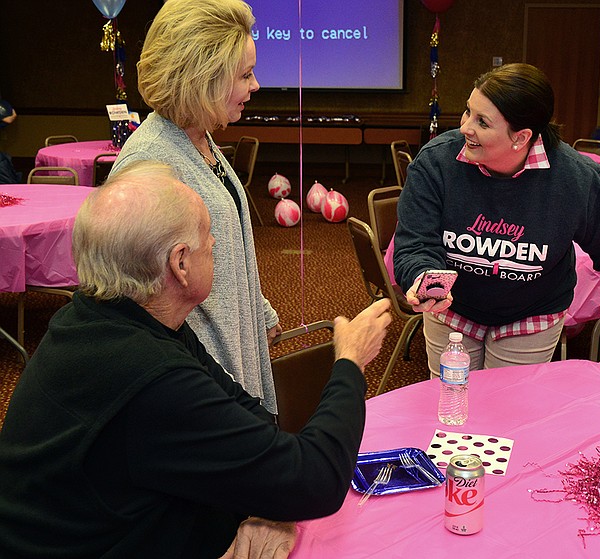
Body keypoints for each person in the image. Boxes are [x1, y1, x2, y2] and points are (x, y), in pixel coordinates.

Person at [0, 160, 393, 558]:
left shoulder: (109, 316)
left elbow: (250, 417)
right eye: (209, 235)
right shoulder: (151, 375)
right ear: (180, 263)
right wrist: (349, 362)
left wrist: (271, 504)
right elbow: (317, 481)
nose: (216, 245)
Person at [392, 63, 600, 378]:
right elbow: (415, 241)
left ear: (521, 137)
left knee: (509, 412)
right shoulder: (436, 163)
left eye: (482, 122)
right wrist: (422, 277)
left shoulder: (576, 179)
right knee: (450, 405)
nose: (465, 128)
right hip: (454, 312)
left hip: (531, 315)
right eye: (468, 112)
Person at [111, 0, 281, 414]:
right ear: (202, 79)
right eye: (244, 75)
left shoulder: (199, 139)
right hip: (196, 387)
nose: (255, 85)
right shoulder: (150, 161)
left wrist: (260, 313)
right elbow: (140, 306)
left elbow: (226, 246)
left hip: (230, 366)